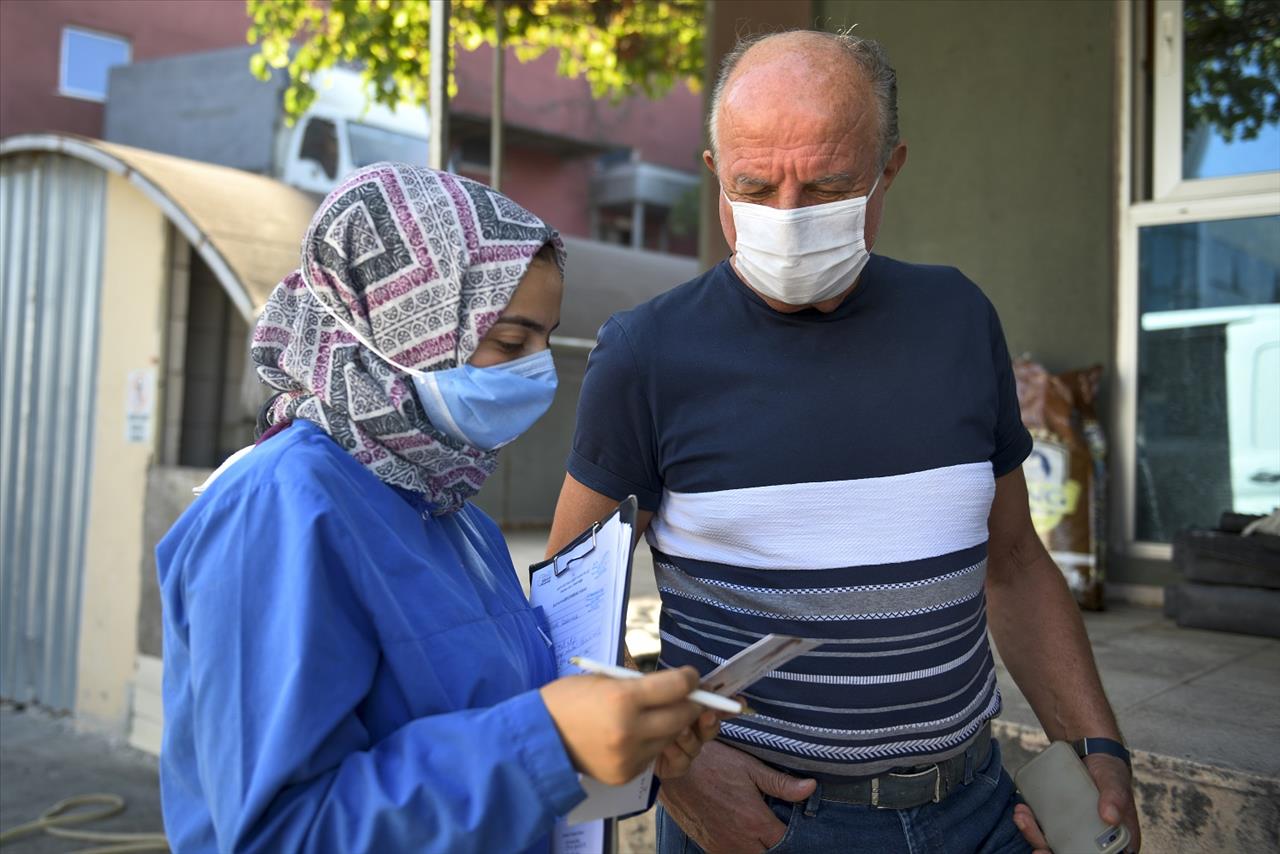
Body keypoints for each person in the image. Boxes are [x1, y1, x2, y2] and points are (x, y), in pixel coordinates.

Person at [547, 30, 1141, 854]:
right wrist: (676, 774)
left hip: (978, 810)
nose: (787, 219)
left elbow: (1013, 563)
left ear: (888, 169)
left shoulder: (959, 320)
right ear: (715, 171)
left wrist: (1096, 746)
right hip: (764, 825)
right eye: (755, 185)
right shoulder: (646, 353)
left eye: (828, 185)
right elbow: (571, 616)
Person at [157, 163, 724, 853]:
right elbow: (282, 833)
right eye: (511, 343)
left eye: (545, 341)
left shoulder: (451, 514)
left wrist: (620, 745)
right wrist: (548, 742)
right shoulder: (279, 510)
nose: (537, 372)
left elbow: (505, 756)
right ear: (403, 323)